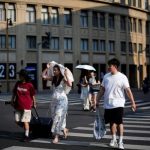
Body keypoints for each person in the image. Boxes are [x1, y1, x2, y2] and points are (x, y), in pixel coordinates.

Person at [96, 58, 136, 149]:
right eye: (108, 65)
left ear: (115, 67)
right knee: (111, 122)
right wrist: (97, 100)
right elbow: (102, 90)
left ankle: (121, 141)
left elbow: (128, 90)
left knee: (119, 122)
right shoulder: (106, 76)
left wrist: (133, 102)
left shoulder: (122, 77)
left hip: (119, 103)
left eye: (110, 66)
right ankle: (114, 139)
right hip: (108, 104)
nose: (108, 67)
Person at [42, 63, 73, 144]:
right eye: (53, 70)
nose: (54, 71)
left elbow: (70, 84)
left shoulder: (63, 79)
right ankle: (64, 129)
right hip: (54, 100)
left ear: (59, 71)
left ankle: (56, 136)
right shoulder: (54, 78)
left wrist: (66, 75)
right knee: (54, 117)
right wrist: (46, 68)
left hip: (62, 100)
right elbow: (43, 76)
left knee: (57, 117)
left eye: (55, 70)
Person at [11, 69, 36, 142]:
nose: (19, 76)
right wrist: (12, 100)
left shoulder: (29, 85)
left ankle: (26, 136)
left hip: (26, 106)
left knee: (25, 121)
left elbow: (33, 95)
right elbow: (14, 93)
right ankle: (27, 127)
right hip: (18, 105)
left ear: (24, 76)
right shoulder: (18, 83)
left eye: (20, 75)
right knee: (17, 120)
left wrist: (34, 103)